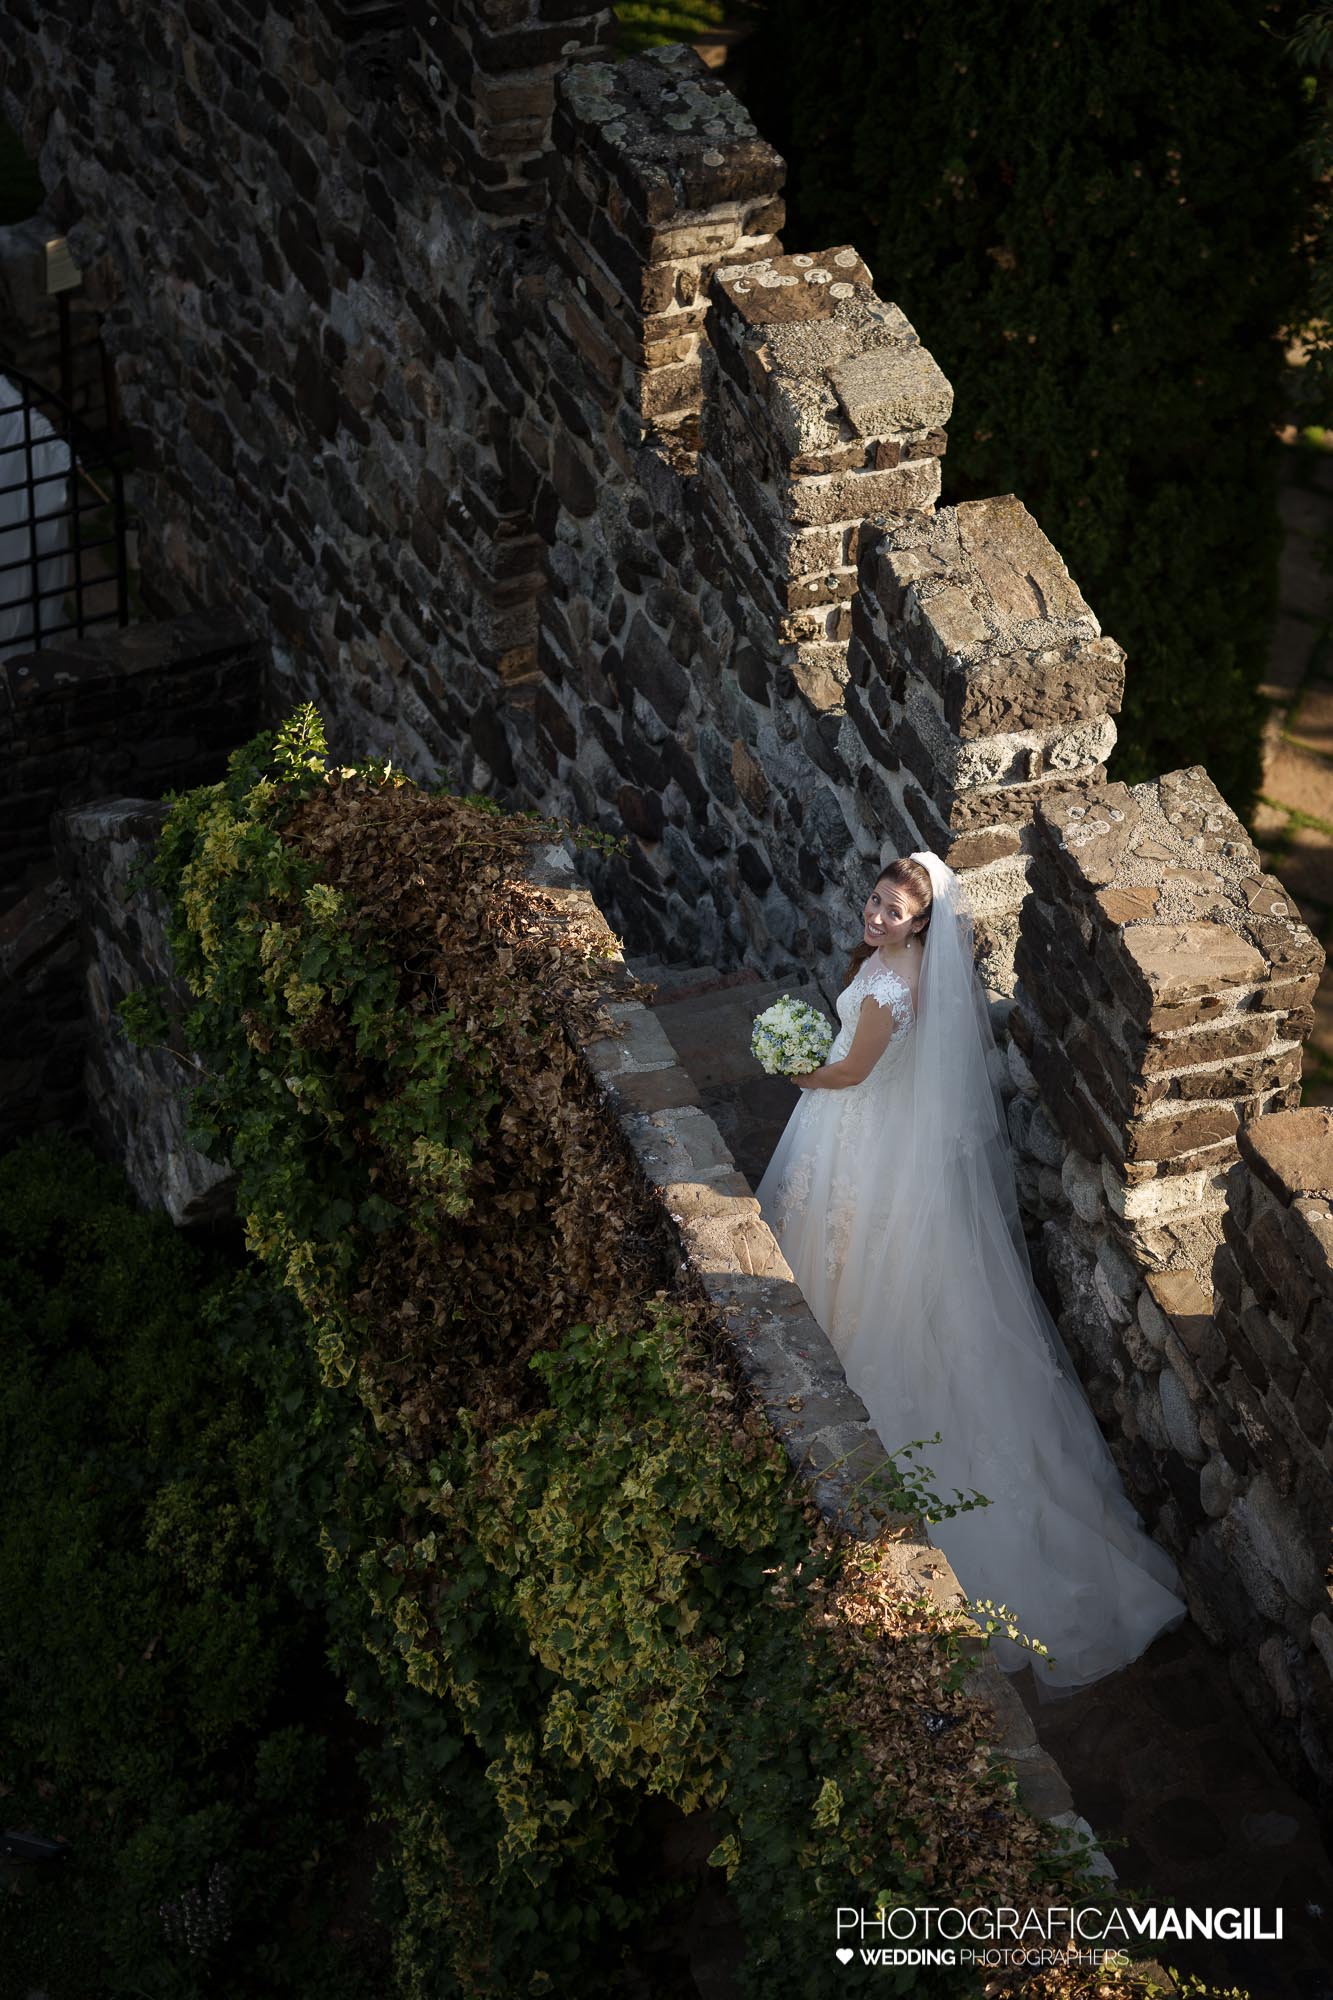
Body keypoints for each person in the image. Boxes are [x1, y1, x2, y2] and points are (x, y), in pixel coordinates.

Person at [754, 850, 1187, 1695]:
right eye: (874, 901)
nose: (876, 917)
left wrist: (791, 1066)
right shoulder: (892, 965)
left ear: (921, 923)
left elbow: (849, 1072)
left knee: (856, 1273)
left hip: (857, 1139)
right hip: (861, 1143)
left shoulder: (889, 988)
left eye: (893, 911)